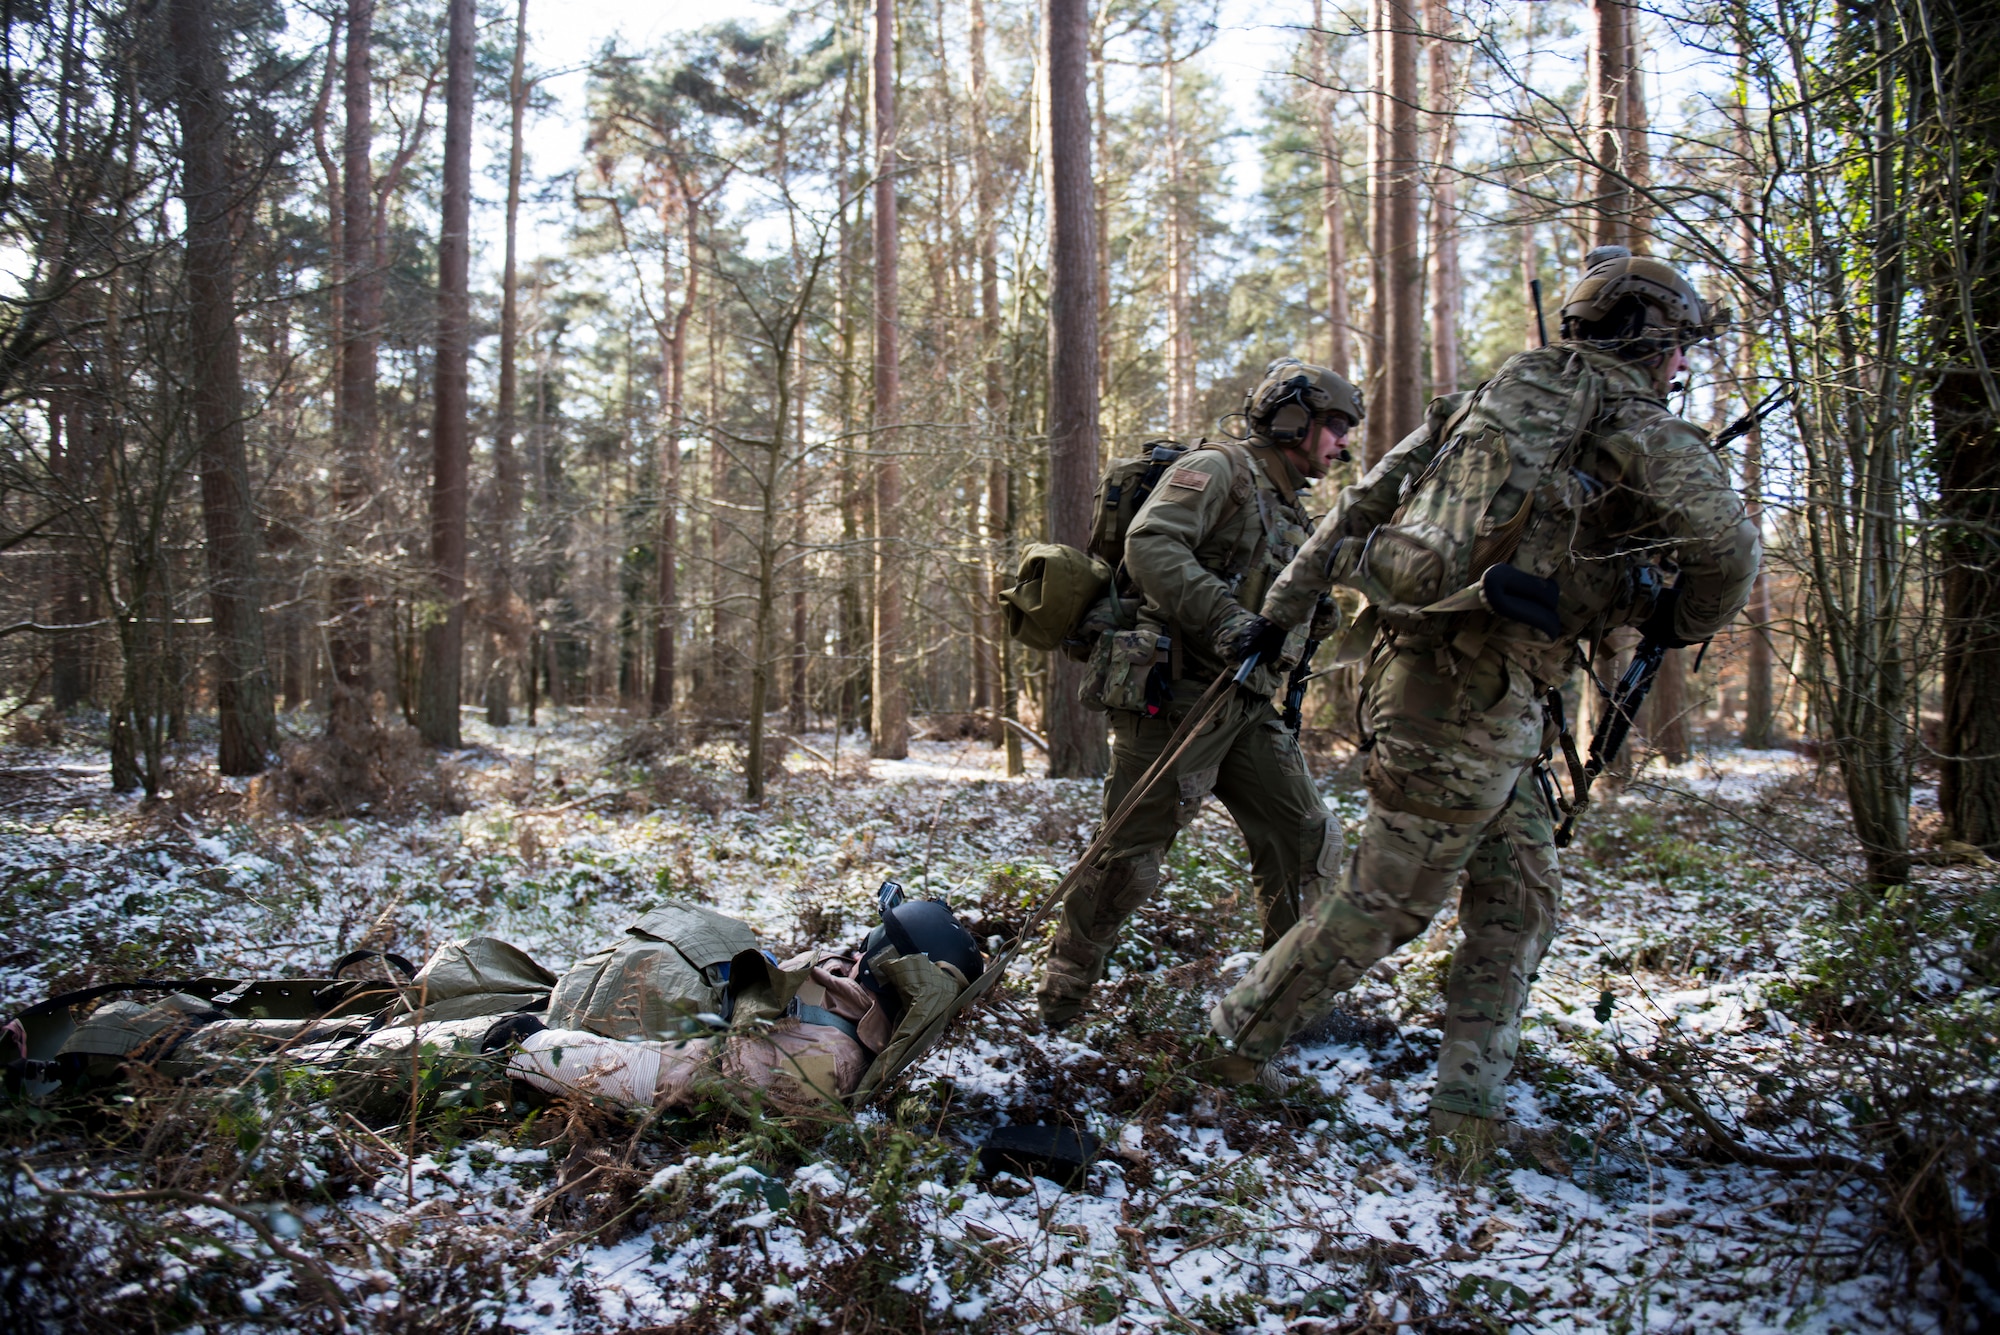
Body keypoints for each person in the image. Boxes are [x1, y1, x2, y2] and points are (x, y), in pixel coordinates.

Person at [1205, 248, 1761, 1146]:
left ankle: (1465, 1115)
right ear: (1652, 341)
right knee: (1385, 904)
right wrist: (1673, 616)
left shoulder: (1487, 403)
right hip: (1465, 697)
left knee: (1519, 900)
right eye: (1678, 350)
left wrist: (1280, 611)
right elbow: (1730, 555)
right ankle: (1229, 1043)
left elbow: (1361, 508)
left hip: (1464, 691)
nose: (1681, 369)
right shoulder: (1630, 420)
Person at [1037, 359, 1365, 1032]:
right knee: (1129, 861)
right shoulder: (1221, 470)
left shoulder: (1286, 504)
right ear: (1293, 417)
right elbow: (1151, 544)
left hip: (1245, 704)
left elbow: (1273, 591)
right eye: (1333, 427)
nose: (1341, 445)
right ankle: (1061, 1003)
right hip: (1174, 697)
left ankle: (1286, 1007)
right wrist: (1227, 619)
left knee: (1303, 838)